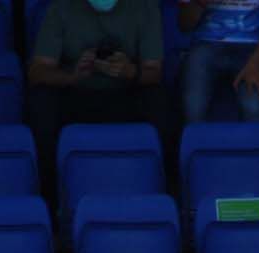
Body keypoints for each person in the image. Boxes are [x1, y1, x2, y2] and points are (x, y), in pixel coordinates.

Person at [26, 0, 166, 203]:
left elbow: (155, 72)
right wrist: (72, 76)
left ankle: (160, 195)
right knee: (41, 101)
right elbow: (37, 71)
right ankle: (50, 201)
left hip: (126, 95)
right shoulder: (61, 8)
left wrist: (129, 71)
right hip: (76, 95)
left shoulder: (145, 7)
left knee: (158, 100)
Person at [176, 0, 259, 125]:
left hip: (254, 46)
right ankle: (196, 143)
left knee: (253, 107)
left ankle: (256, 144)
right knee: (192, 107)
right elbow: (184, 25)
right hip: (207, 44)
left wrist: (256, 64)